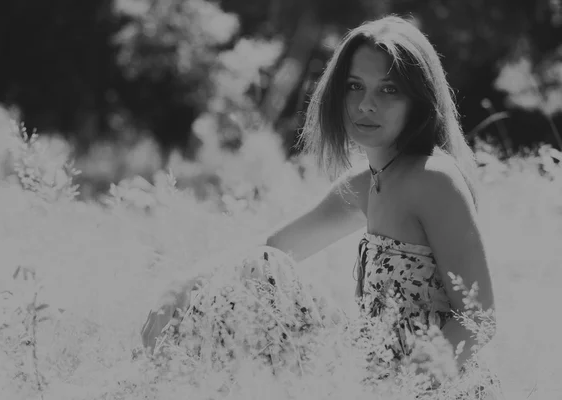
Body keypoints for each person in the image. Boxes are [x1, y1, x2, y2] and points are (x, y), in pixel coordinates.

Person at [141, 14, 500, 397]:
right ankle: (154, 382)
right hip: (371, 372)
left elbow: (478, 317)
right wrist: (179, 288)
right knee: (258, 274)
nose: (366, 105)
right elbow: (272, 248)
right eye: (355, 86)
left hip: (432, 388)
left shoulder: (434, 178)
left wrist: (401, 391)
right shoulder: (367, 183)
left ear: (420, 99)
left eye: (389, 90)